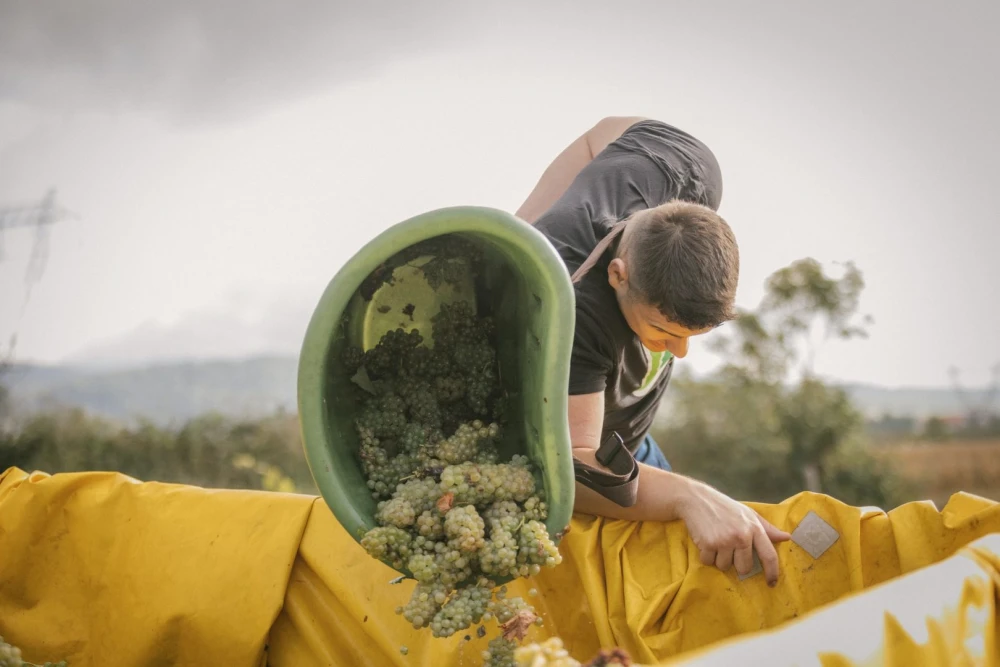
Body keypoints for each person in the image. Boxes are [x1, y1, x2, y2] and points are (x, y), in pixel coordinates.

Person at [515, 116, 792, 587]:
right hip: (597, 463)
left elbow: (599, 134)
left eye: (691, 336)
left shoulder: (686, 168)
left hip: (633, 443)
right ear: (618, 274)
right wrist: (523, 243)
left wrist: (524, 229)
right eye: (664, 331)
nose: (679, 353)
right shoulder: (570, 312)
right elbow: (573, 471)